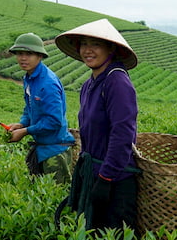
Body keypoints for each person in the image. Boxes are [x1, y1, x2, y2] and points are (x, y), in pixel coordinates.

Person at [55, 18, 140, 232]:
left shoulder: (117, 82)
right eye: (84, 44)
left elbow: (122, 134)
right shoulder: (89, 84)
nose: (88, 50)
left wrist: (106, 178)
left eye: (96, 44)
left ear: (111, 49)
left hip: (115, 181)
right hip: (94, 173)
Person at [7, 32, 76, 184]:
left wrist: (25, 132)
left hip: (54, 152)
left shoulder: (47, 83)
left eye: (29, 54)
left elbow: (54, 121)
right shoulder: (29, 78)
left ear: (40, 56)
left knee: (56, 197)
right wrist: (22, 123)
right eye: (19, 54)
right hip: (42, 148)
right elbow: (30, 107)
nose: (23, 58)